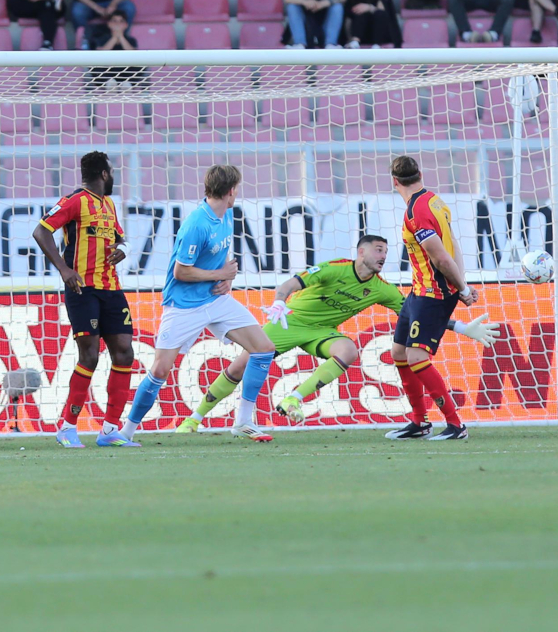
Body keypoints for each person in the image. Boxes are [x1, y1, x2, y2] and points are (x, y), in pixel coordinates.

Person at [177, 235, 500, 432]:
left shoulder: (379, 288)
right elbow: (290, 283)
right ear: (361, 252)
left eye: (386, 251)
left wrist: (460, 327)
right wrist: (278, 301)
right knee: (239, 366)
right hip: (290, 322)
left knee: (347, 350)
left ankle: (293, 398)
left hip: (322, 332)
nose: (383, 256)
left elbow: (416, 312)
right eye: (377, 249)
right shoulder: (334, 268)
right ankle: (193, 419)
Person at [120, 165, 278, 444]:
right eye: (236, 189)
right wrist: (221, 274)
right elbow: (182, 271)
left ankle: (243, 421)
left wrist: (226, 280)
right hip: (183, 305)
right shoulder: (197, 224)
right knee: (160, 369)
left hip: (216, 299)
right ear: (230, 191)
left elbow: (220, 260)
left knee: (264, 349)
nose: (237, 195)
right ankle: (125, 432)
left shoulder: (226, 215)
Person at [31, 152, 134, 449]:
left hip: (111, 288)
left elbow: (117, 239)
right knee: (89, 355)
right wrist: (64, 270)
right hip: (82, 289)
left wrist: (120, 250)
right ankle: (67, 426)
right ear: (104, 173)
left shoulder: (108, 204)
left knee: (124, 353)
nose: (112, 177)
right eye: (111, 172)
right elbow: (41, 231)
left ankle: (110, 430)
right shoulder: (75, 200)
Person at [384, 156, 478, 441]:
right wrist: (462, 281)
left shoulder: (416, 213)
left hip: (433, 293)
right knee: (399, 352)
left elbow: (439, 256)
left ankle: (455, 424)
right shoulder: (435, 201)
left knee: (416, 357)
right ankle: (419, 422)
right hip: (418, 290)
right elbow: (453, 244)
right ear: (420, 174)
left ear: (395, 182)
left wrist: (461, 288)